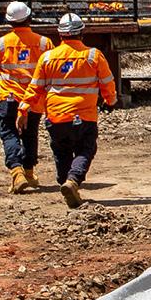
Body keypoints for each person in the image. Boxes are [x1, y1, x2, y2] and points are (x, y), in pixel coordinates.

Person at [24, 13, 116, 209]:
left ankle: (65, 181)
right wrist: (111, 99)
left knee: (61, 150)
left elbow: (35, 87)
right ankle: (72, 181)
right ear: (82, 33)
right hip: (84, 116)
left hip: (55, 116)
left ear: (60, 34)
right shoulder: (93, 55)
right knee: (86, 149)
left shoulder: (47, 57)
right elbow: (107, 82)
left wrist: (24, 107)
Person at [0, 1, 53, 194]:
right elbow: (51, 70)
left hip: (10, 98)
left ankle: (17, 172)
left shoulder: (1, 43)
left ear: (9, 22)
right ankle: (30, 173)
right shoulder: (44, 43)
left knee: (9, 133)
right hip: (34, 100)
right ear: (29, 18)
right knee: (30, 134)